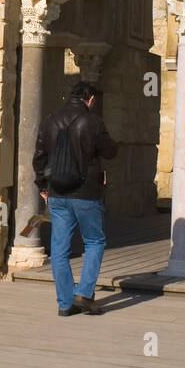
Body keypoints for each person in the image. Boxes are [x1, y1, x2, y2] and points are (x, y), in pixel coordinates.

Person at [33, 80, 118, 316]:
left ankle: (65, 303)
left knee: (59, 248)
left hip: (57, 193)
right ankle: (84, 292)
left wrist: (42, 186)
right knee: (94, 241)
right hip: (86, 193)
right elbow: (111, 151)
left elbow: (38, 157)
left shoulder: (50, 120)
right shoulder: (93, 122)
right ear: (89, 99)